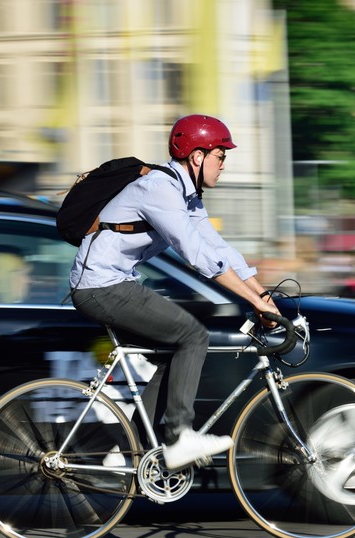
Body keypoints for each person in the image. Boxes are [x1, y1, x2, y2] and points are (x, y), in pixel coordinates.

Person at [69, 114, 277, 470]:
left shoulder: (186, 195)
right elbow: (196, 255)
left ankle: (130, 449)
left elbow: (217, 247)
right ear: (197, 156)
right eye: (221, 155)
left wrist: (262, 293)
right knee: (193, 336)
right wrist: (251, 301)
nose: (224, 164)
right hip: (101, 286)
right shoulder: (160, 190)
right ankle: (179, 437)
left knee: (173, 351)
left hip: (115, 282)